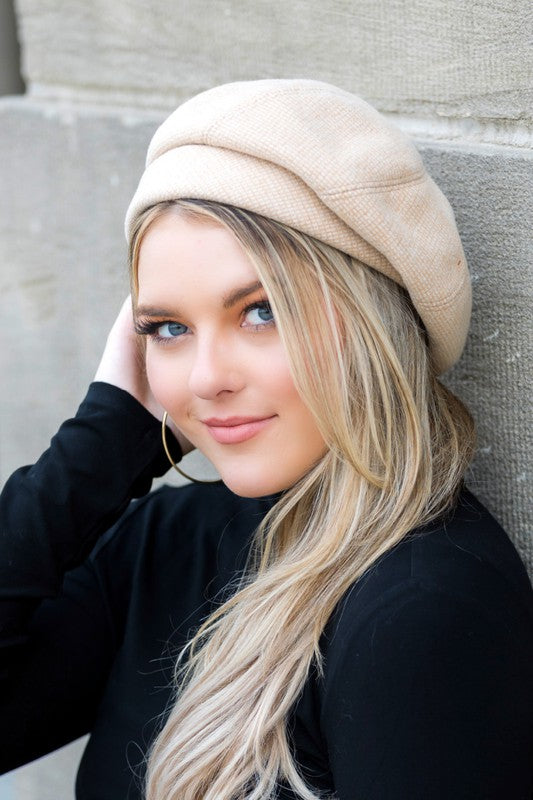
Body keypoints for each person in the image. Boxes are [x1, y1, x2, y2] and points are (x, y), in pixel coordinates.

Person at [1, 79, 532, 800]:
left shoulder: (422, 611)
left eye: (261, 313)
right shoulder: (166, 543)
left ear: (372, 323)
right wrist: (102, 440)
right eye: (168, 328)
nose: (205, 378)